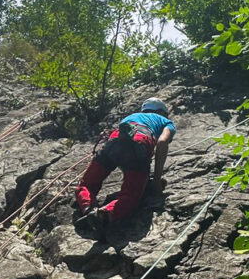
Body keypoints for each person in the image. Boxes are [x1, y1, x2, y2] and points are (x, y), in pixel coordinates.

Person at [75, 97, 176, 229]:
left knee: (86, 184)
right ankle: (105, 214)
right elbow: (162, 142)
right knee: (131, 195)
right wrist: (156, 180)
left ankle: (88, 207)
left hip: (114, 141)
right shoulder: (166, 122)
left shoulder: (132, 116)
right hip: (140, 142)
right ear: (161, 112)